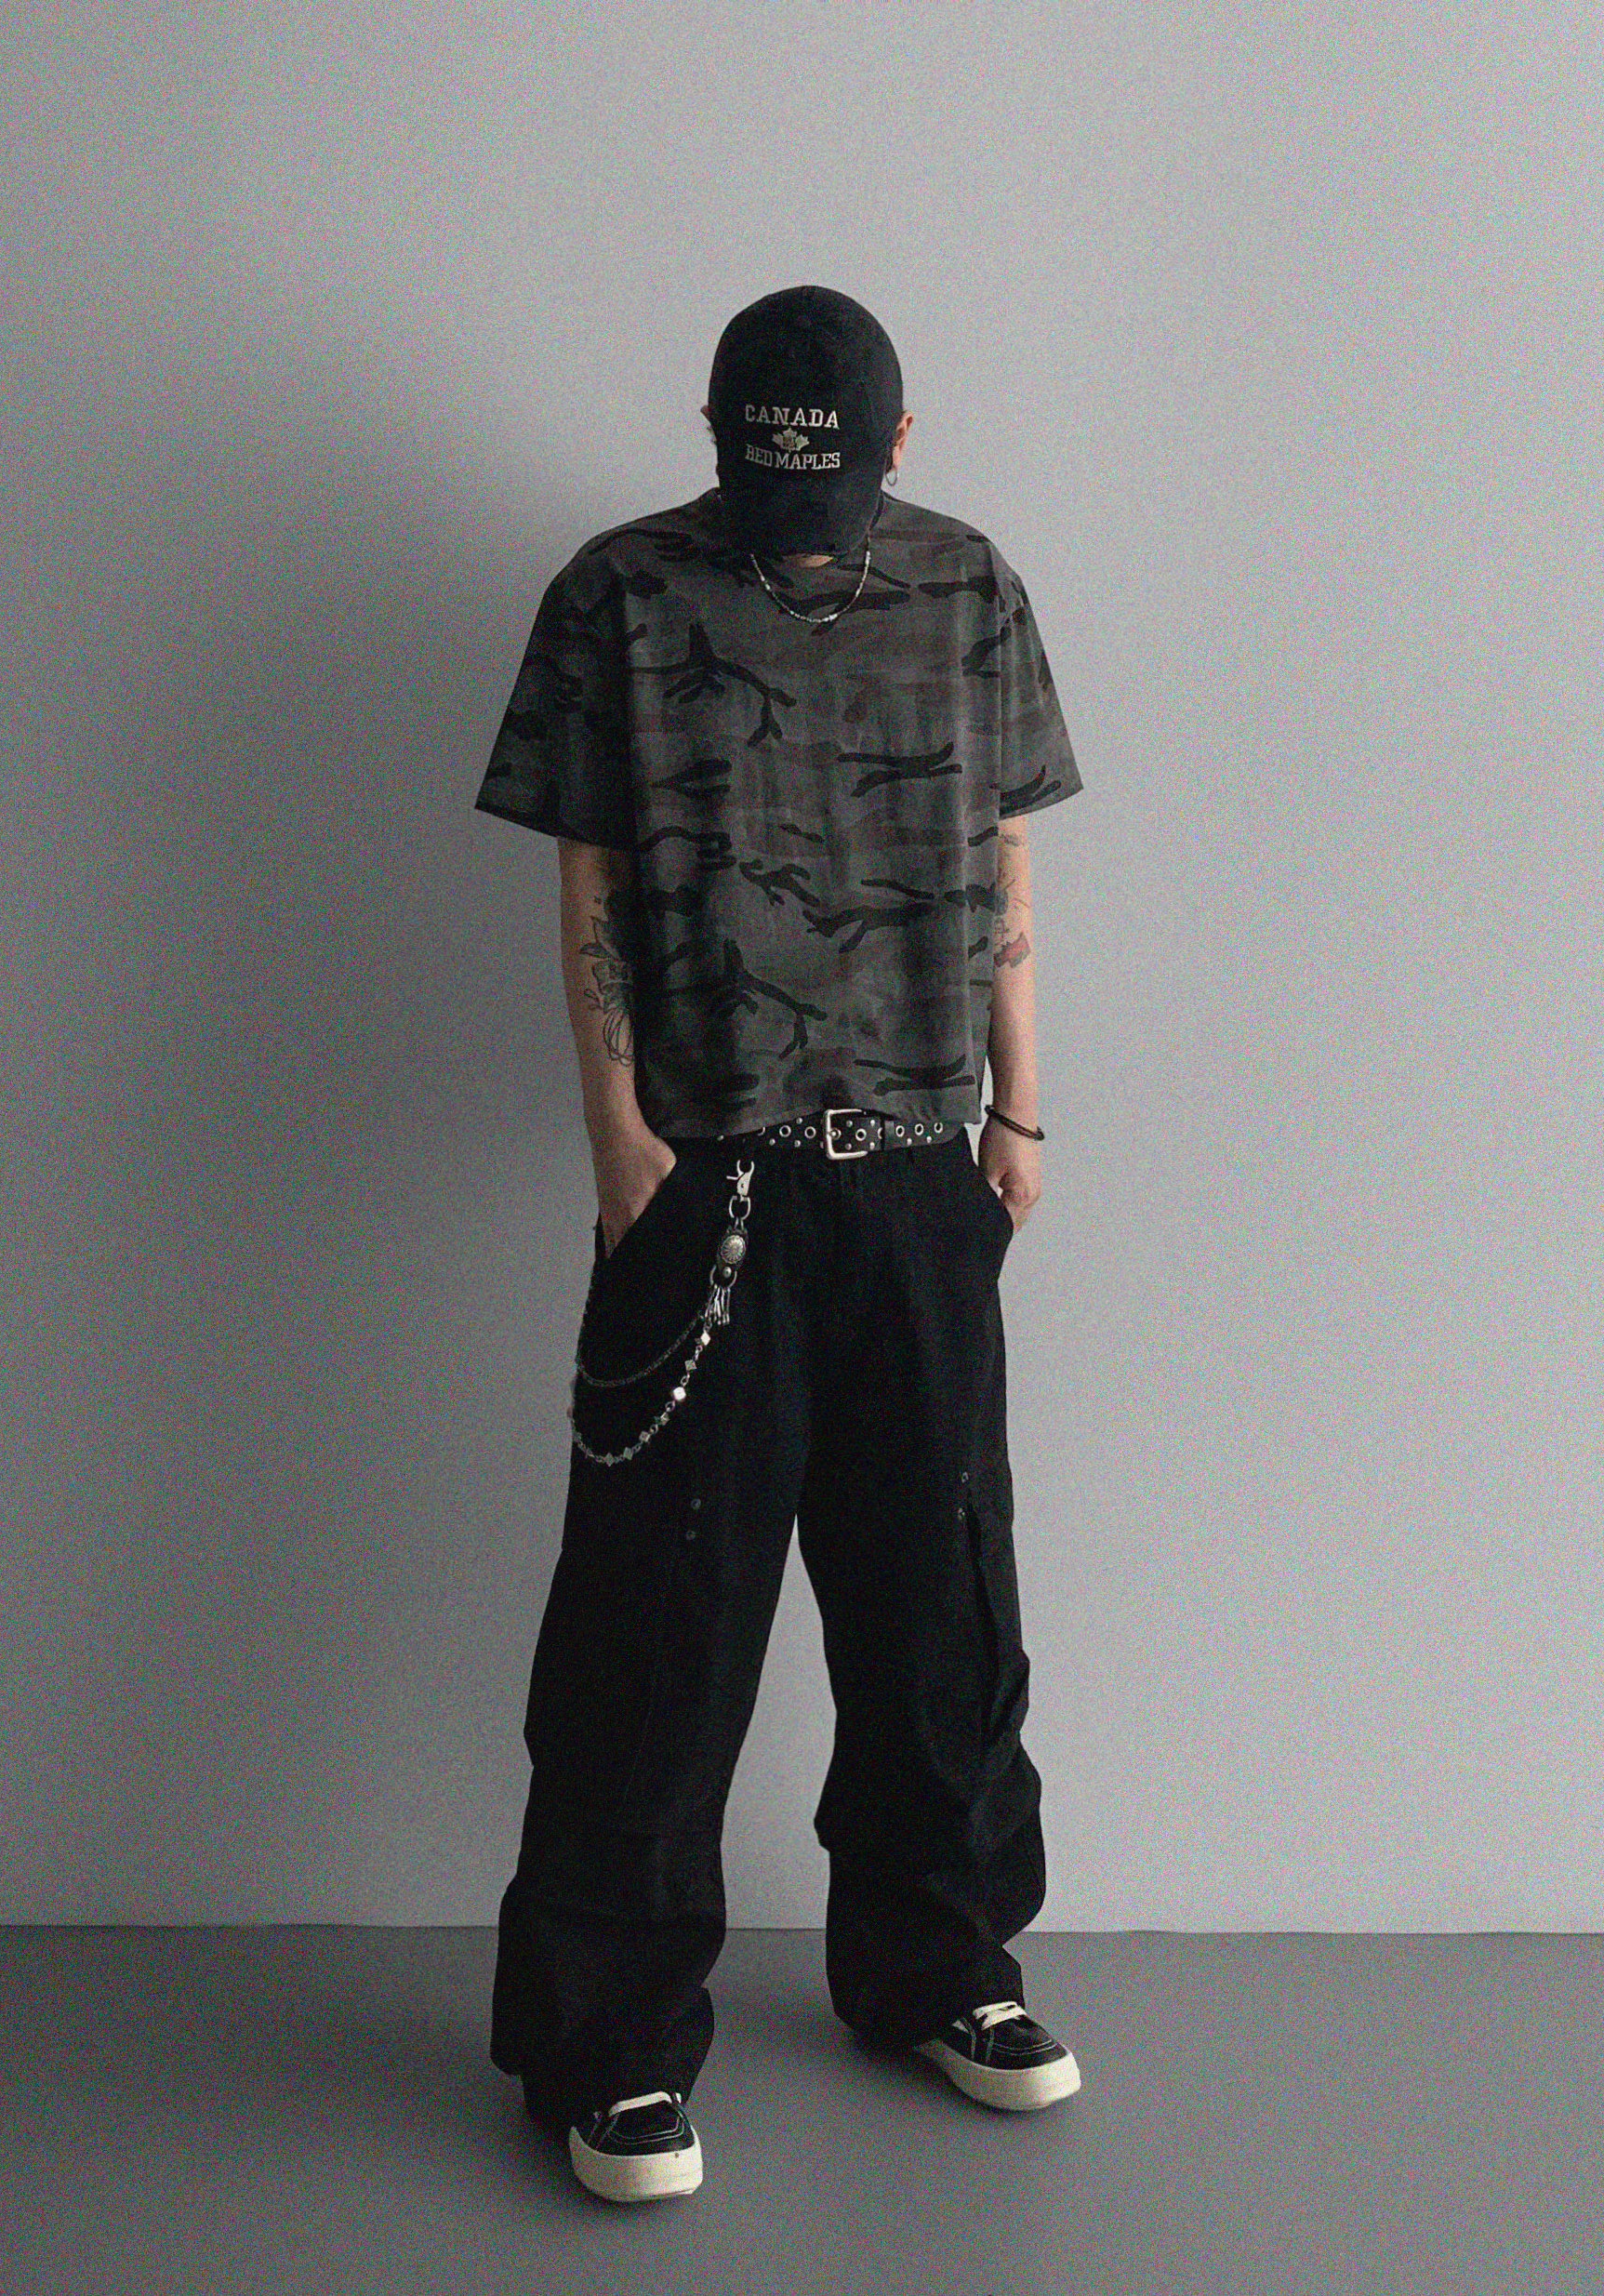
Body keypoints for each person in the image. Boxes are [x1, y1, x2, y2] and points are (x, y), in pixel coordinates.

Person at [472, 285, 1084, 2204]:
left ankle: (938, 1963)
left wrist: (1020, 1109)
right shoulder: (621, 593)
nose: (794, 513)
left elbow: (1002, 848)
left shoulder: (966, 585)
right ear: (715, 436)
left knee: (939, 1603)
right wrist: (618, 1139)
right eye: (762, 473)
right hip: (706, 1179)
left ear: (898, 443)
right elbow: (587, 861)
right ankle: (606, 2043)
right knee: (654, 1631)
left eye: (828, 475)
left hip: (917, 1170)